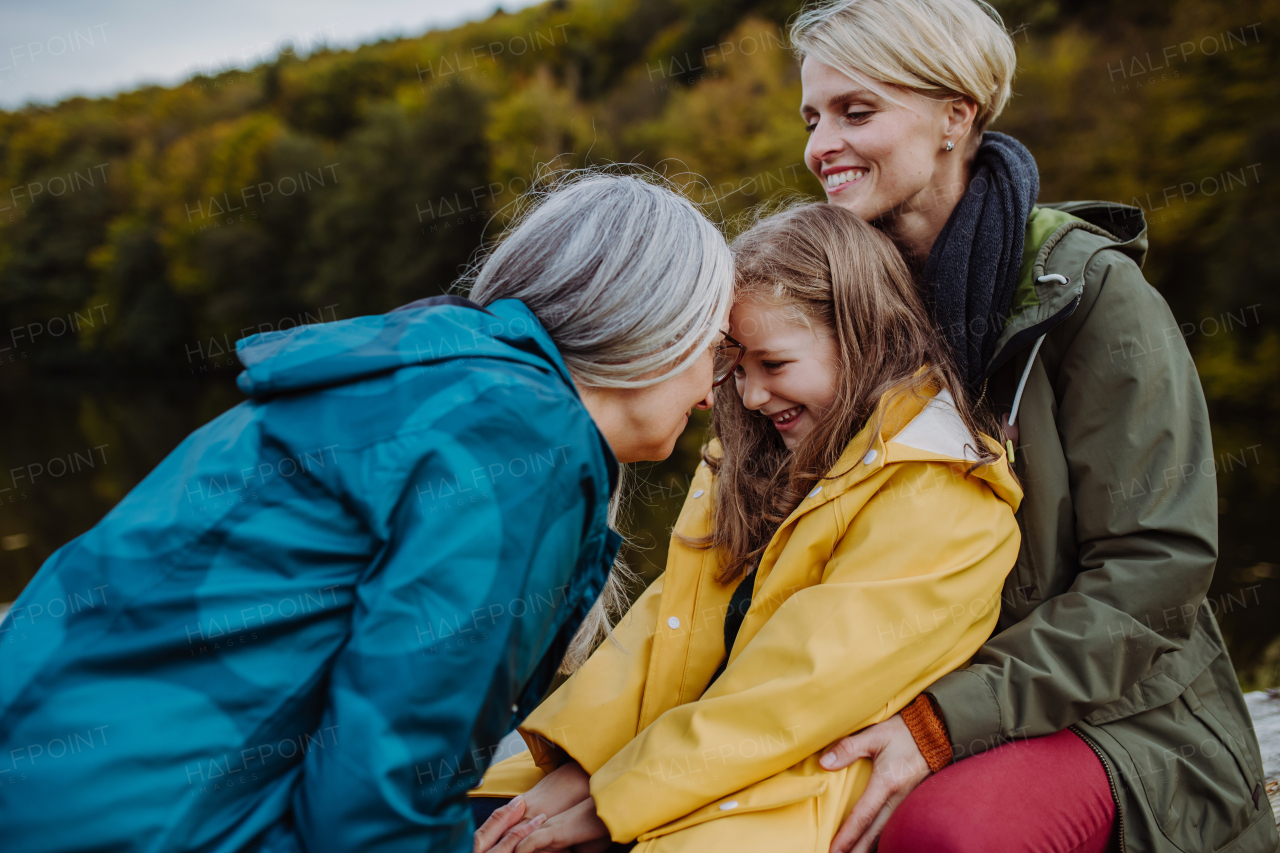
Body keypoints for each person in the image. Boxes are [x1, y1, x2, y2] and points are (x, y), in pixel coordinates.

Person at [0, 174, 734, 853]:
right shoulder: (524, 438)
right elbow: (383, 795)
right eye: (714, 351)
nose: (710, 394)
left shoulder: (430, 378)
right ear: (654, 329)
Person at [789, 1, 1279, 852]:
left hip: (1127, 715)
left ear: (957, 115)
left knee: (947, 835)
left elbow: (1155, 570)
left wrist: (941, 720)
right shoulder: (829, 311)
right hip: (883, 686)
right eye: (811, 117)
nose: (820, 144)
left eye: (855, 111)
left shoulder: (1090, 292)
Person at [468, 203, 1023, 853]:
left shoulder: (945, 494)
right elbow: (666, 627)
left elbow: (794, 693)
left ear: (867, 337)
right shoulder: (751, 454)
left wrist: (611, 801)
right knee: (474, 816)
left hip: (778, 798)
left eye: (775, 364)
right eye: (737, 366)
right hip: (668, 776)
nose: (753, 396)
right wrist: (575, 770)